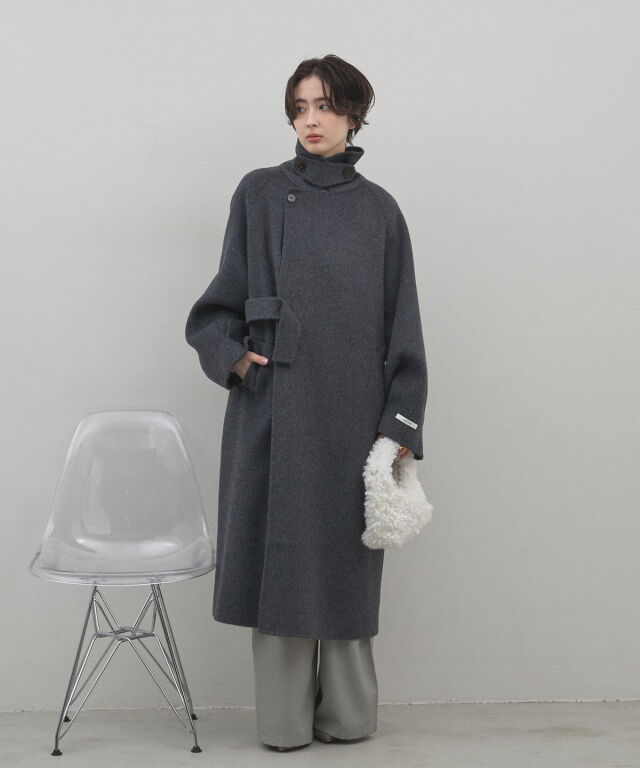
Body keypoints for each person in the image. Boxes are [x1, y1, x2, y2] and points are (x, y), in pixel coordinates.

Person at [185, 54, 428, 752]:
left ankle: (346, 715)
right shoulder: (260, 193)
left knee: (344, 563)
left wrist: (399, 424)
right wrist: (235, 357)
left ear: (354, 113)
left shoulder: (380, 211)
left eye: (324, 105)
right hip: (274, 407)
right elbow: (215, 308)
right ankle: (284, 723)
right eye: (299, 107)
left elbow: (403, 326)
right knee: (283, 560)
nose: (310, 120)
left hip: (353, 413)